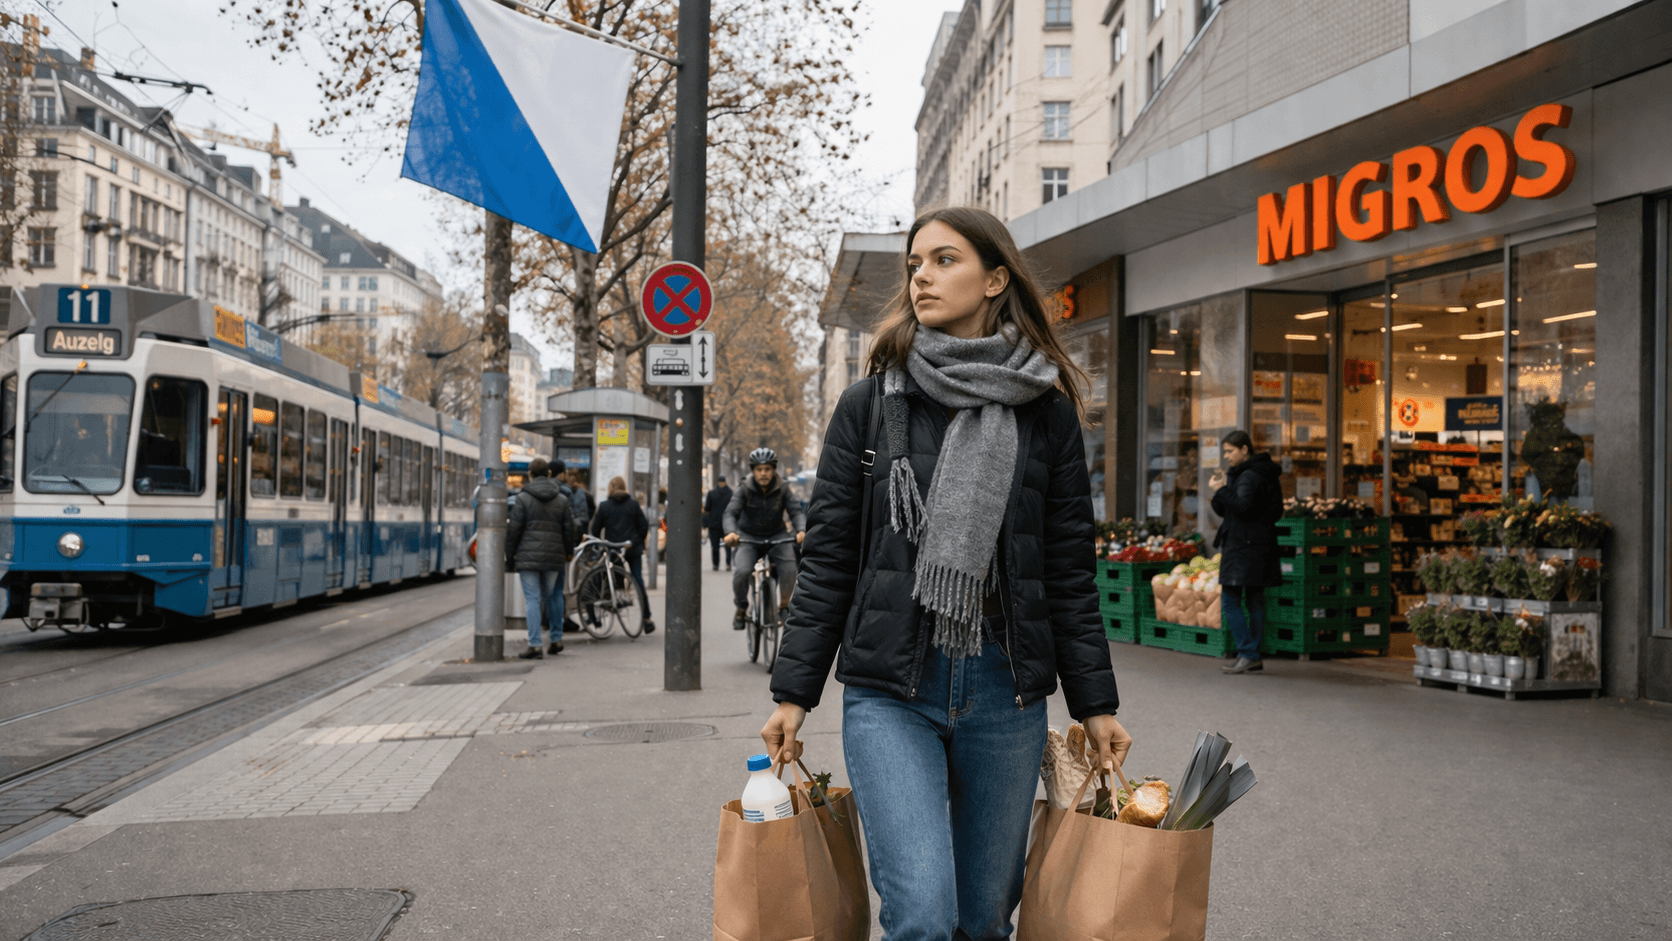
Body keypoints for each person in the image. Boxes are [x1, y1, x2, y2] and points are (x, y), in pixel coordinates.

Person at [760, 207, 1130, 941]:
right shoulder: (870, 405)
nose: (921, 275)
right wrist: (792, 693)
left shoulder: (1045, 414)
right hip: (892, 689)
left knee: (984, 918)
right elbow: (830, 558)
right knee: (924, 914)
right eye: (915, 263)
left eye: (944, 259)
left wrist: (1097, 703)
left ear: (996, 278)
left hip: (1006, 688)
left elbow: (1066, 573)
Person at [1209, 429, 1285, 674]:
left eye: (1230, 451)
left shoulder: (1249, 476)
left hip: (1243, 546)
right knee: (1254, 599)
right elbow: (1230, 509)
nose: (1227, 457)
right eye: (1225, 452)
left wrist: (1221, 489)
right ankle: (1251, 654)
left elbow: (1242, 507)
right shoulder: (1254, 473)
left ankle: (1247, 652)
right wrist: (1220, 492)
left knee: (1230, 600)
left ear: (1244, 449)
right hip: (1257, 544)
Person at [723, 448, 805, 631]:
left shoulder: (782, 488)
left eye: (768, 469)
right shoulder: (744, 488)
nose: (763, 473)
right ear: (753, 471)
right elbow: (730, 513)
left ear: (774, 470)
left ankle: (784, 606)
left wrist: (801, 529)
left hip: (777, 535)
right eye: (759, 469)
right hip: (748, 537)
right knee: (742, 571)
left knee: (790, 566)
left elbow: (796, 511)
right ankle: (742, 607)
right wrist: (730, 532)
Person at [506, 458, 577, 660]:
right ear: (548, 474)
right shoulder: (561, 499)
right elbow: (569, 529)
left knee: (533, 598)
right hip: (554, 557)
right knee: (554, 596)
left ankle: (535, 645)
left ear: (530, 474)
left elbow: (514, 530)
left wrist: (510, 557)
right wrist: (568, 553)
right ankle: (556, 640)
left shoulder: (522, 499)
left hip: (528, 557)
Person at [589, 475, 655, 632]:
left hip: (613, 550)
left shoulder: (604, 506)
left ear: (611, 488)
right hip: (631, 549)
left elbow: (595, 530)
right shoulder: (633, 505)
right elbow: (643, 527)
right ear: (624, 487)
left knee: (617, 580)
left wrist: (602, 546)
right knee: (638, 580)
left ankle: (619, 601)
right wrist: (635, 541)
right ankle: (646, 618)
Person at [704, 476, 736, 571]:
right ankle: (728, 564)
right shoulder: (731, 494)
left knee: (715, 546)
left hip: (714, 523)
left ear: (718, 482)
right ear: (725, 482)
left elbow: (707, 508)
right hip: (727, 524)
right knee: (728, 546)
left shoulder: (711, 493)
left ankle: (715, 564)